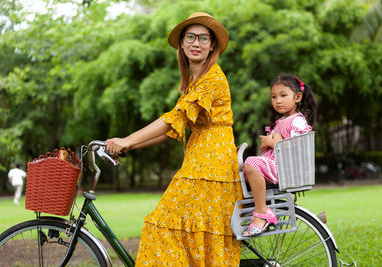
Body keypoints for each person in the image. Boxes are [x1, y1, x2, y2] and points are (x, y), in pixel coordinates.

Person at [106, 12, 242, 266]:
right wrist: (132, 145)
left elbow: (173, 118)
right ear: (181, 43)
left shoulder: (212, 77)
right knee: (186, 231)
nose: (196, 43)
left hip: (211, 164)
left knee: (161, 225)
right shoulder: (196, 80)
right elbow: (173, 128)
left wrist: (127, 139)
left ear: (212, 44)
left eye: (203, 37)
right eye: (190, 37)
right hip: (202, 160)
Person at [242, 74, 317, 237]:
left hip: (284, 168)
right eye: (274, 97)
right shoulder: (280, 121)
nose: (278, 101)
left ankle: (262, 212)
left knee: (251, 163)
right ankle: (247, 210)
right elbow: (271, 143)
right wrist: (270, 141)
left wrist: (274, 142)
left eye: (283, 95)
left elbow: (296, 147)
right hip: (274, 164)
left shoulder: (297, 121)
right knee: (239, 170)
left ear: (297, 97)